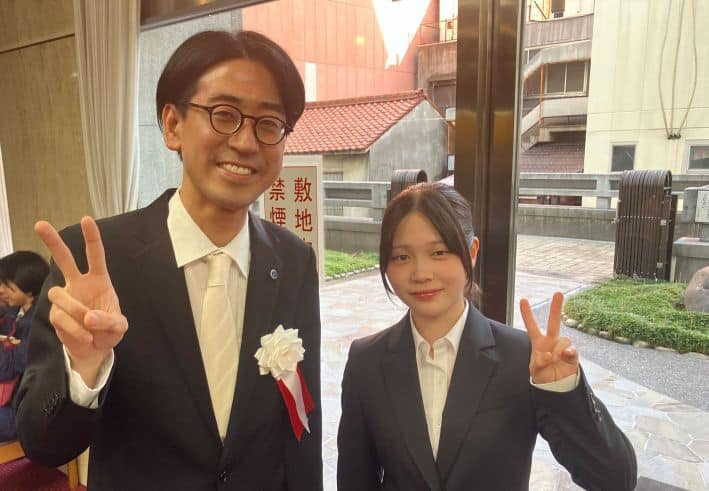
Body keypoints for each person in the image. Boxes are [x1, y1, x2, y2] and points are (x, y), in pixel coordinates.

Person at [16, 30, 322, 490]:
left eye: (269, 123)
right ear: (173, 125)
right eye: (224, 114)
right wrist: (83, 369)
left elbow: (300, 425)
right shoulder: (95, 260)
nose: (246, 142)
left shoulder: (294, 260)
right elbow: (42, 445)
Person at [337, 182, 637, 491]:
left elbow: (614, 481)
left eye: (439, 252)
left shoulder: (523, 358)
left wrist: (562, 390)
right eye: (402, 257)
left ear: (472, 252)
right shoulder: (366, 362)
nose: (421, 273)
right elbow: (355, 480)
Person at [0, 251, 49, 440]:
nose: (1, 290)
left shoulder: (41, 323)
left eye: (7, 285)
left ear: (29, 288)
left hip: (20, 413)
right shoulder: (15, 312)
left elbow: (6, 367)